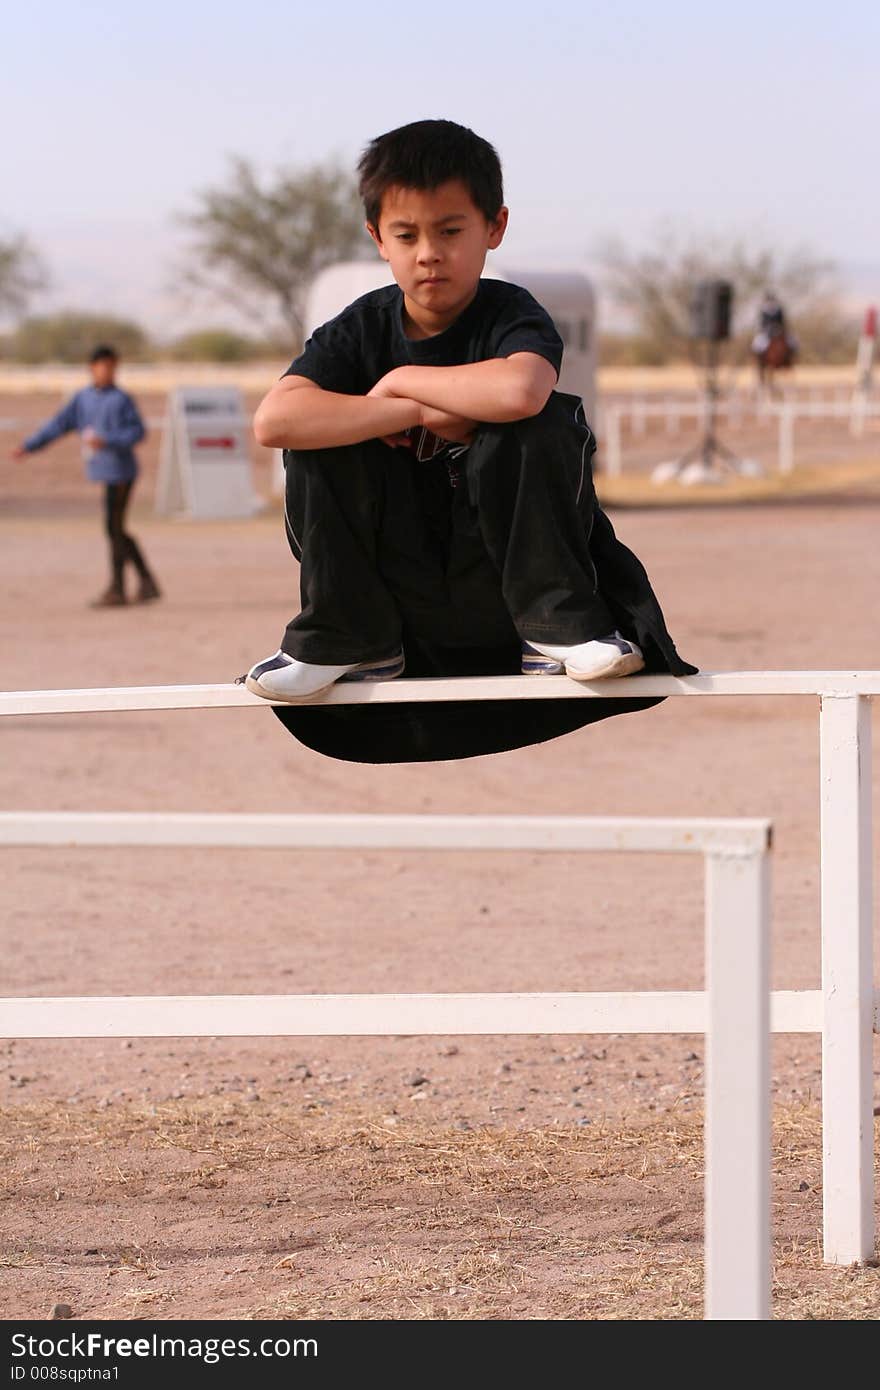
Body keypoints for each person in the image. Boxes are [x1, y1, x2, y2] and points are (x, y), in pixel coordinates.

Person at [246, 120, 694, 760]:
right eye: (407, 235)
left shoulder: (512, 313)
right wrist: (405, 414)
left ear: (495, 228)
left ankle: (555, 631)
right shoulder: (359, 329)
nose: (429, 253)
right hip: (396, 577)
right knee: (321, 436)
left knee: (540, 424)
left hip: (499, 569)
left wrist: (400, 381)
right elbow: (276, 421)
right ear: (378, 238)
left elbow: (520, 393)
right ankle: (349, 639)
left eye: (451, 231)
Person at [12, 345, 161, 607]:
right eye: (103, 366)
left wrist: (108, 441)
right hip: (102, 470)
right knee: (116, 529)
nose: (108, 372)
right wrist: (29, 446)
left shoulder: (122, 399)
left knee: (114, 528)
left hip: (122, 472)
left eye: (112, 367)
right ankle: (146, 581)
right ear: (92, 368)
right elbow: (57, 426)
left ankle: (118, 589)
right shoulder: (82, 399)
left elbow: (137, 433)